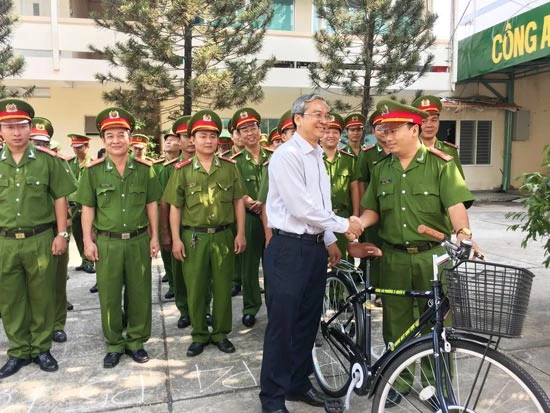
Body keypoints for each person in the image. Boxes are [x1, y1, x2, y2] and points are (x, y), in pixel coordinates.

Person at [355, 99, 476, 406]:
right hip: (393, 257)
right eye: (384, 130)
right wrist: (357, 224)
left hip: (432, 257)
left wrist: (464, 234)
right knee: (396, 322)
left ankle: (438, 385)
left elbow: (456, 208)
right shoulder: (382, 167)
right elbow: (373, 210)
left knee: (437, 323)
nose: (387, 136)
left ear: (414, 129)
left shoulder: (441, 164)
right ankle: (400, 380)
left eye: (395, 130)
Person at [259, 94, 363, 413]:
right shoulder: (286, 156)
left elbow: (321, 206)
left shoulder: (317, 156)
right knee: (283, 326)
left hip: (314, 249)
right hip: (288, 250)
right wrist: (347, 225)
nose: (324, 119)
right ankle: (273, 399)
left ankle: (298, 383)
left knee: (307, 322)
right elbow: (302, 208)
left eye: (327, 114)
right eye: (316, 114)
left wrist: (331, 239)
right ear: (297, 119)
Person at [75, 107, 162, 369]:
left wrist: (155, 235)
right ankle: (113, 343)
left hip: (138, 240)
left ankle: (136, 341)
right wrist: (88, 242)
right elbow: (87, 208)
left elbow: (152, 205)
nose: (116, 139)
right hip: (108, 242)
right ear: (103, 140)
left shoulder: (146, 169)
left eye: (121, 134)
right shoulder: (93, 171)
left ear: (129, 137)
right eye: (110, 135)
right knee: (110, 295)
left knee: (139, 292)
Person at [0, 99, 75, 378]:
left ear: (30, 128)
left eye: (21, 126)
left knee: (42, 295)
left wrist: (62, 234)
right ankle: (19, 351)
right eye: (9, 126)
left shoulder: (48, 161)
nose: (16, 132)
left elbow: (60, 198)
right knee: (10, 299)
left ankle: (42, 348)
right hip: (4, 241)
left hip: (40, 238)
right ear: (1, 131)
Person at [163, 110, 247, 357]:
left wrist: (240, 233)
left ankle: (220, 333)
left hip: (222, 235)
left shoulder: (230, 168)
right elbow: (175, 207)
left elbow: (238, 202)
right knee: (196, 287)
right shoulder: (182, 169)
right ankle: (199, 333)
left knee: (222, 287)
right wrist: (176, 238)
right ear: (192, 139)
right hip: (193, 238)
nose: (208, 140)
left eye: (212, 135)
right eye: (202, 136)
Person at [230, 107, 272, 328]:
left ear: (259, 130)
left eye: (253, 127)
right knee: (248, 267)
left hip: (272, 219)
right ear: (238, 135)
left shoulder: (274, 156)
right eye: (244, 130)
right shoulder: (234, 161)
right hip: (248, 218)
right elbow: (233, 189)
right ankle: (250, 307)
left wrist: (264, 203)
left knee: (273, 264)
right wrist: (247, 200)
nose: (250, 133)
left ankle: (274, 306)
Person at [350, 110, 389, 300]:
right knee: (374, 251)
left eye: (388, 127)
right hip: (373, 213)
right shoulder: (368, 154)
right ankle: (377, 289)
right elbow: (362, 183)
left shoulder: (399, 152)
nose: (384, 131)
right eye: (379, 127)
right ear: (374, 131)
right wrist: (363, 212)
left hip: (393, 214)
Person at [320, 113, 355, 258]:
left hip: (343, 217)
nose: (331, 135)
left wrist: (355, 216)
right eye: (327, 131)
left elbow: (354, 190)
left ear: (340, 136)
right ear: (321, 135)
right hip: (320, 219)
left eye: (335, 132)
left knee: (344, 262)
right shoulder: (312, 159)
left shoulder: (349, 160)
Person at [411, 95, 465, 179]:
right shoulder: (407, 151)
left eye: (434, 120)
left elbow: (459, 183)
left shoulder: (450, 151)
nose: (429, 125)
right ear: (415, 125)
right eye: (423, 121)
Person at [66, 134, 95, 275]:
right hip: (73, 205)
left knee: (89, 233)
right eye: (74, 147)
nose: (77, 150)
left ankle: (90, 261)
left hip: (87, 205)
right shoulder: (69, 163)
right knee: (77, 234)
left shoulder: (93, 164)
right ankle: (84, 260)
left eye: (80, 147)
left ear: (87, 147)